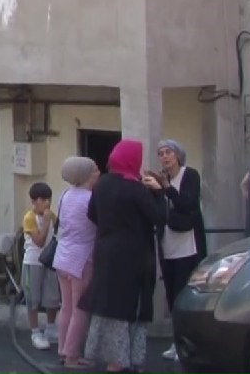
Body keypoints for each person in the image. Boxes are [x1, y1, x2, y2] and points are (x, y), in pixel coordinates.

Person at [81, 140, 167, 372]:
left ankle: (113, 361)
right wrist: (159, 193)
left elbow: (92, 214)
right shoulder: (137, 189)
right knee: (132, 307)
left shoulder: (102, 185)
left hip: (107, 253)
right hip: (135, 257)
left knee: (111, 306)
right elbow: (159, 218)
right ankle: (127, 360)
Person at [156, 139, 207, 362]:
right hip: (168, 243)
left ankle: (188, 344)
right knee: (171, 295)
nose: (165, 157)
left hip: (188, 244)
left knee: (184, 293)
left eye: (168, 152)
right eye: (160, 153)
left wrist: (167, 189)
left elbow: (188, 203)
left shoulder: (190, 175)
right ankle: (176, 342)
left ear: (178, 155)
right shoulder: (160, 179)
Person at [54, 157, 100, 369]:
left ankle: (63, 349)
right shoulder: (91, 199)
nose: (98, 173)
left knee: (66, 307)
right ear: (86, 175)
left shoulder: (65, 195)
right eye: (95, 170)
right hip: (82, 258)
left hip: (63, 255)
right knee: (80, 309)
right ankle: (72, 355)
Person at [22, 182, 61, 351]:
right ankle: (35, 331)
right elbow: (39, 241)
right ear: (35, 201)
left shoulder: (52, 215)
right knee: (33, 298)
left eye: (48, 199)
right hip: (33, 262)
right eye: (43, 200)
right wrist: (44, 223)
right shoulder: (30, 218)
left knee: (51, 297)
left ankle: (51, 327)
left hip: (49, 262)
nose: (47, 203)